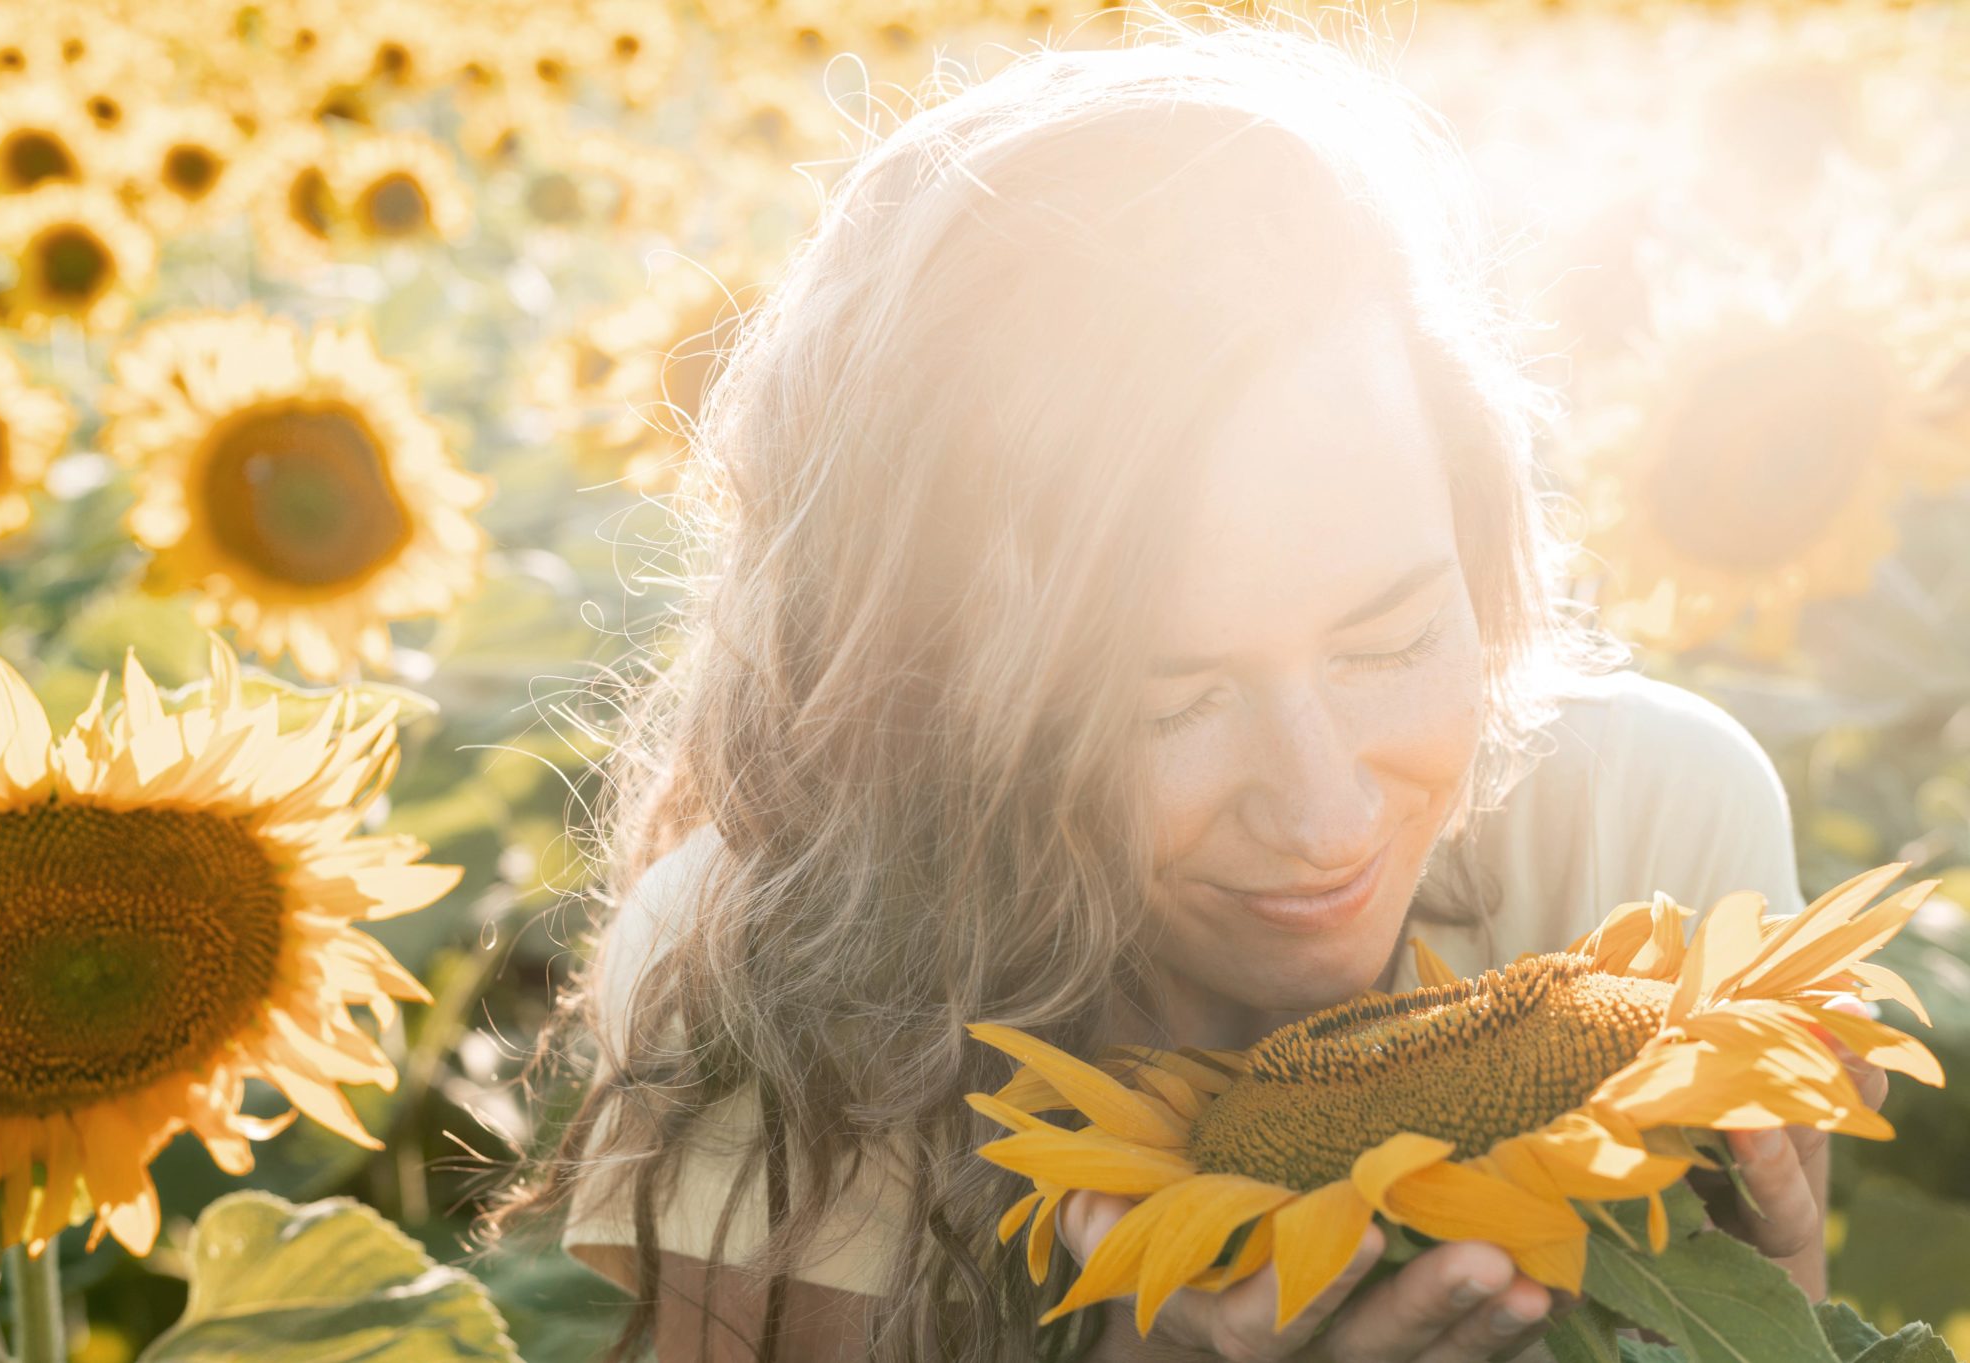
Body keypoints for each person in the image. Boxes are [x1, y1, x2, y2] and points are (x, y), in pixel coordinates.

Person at [482, 9, 1883, 1362]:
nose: (1324, 816)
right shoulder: (782, 976)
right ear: (932, 703)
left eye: (1389, 641)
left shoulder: (1645, 830)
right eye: (1165, 705)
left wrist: (1736, 1306)